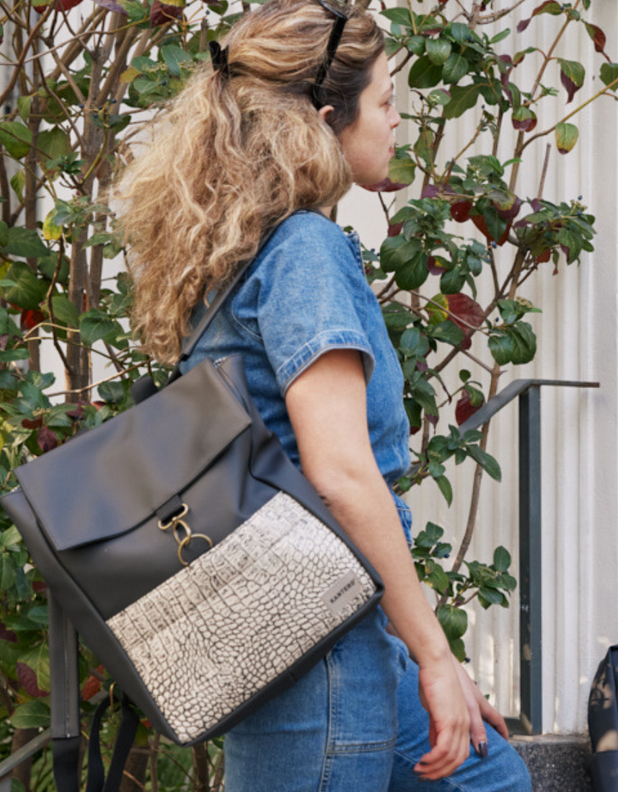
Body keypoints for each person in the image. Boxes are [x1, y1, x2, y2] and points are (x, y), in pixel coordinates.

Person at [114, 0, 532, 789]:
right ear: (327, 117)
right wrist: (437, 657)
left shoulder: (243, 251)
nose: (398, 122)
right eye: (387, 102)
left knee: (492, 778)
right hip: (317, 642)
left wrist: (422, 656)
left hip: (340, 620)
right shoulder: (303, 248)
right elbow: (339, 475)